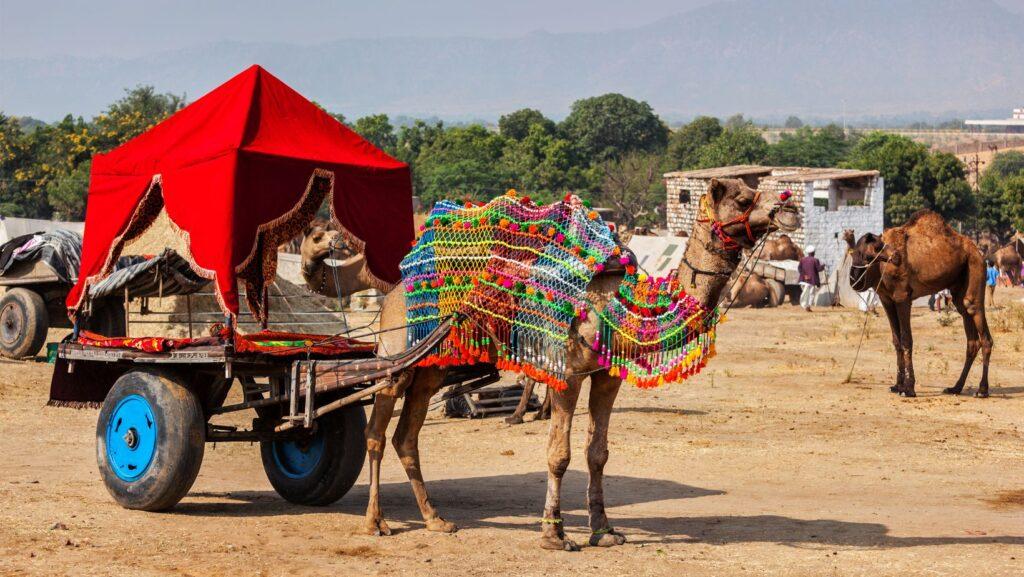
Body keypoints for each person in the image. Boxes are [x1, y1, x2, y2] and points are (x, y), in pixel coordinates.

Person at [798, 245, 825, 312]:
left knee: (805, 293)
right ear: (813, 253)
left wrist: (804, 275)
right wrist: (823, 266)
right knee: (811, 294)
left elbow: (799, 268)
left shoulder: (802, 259)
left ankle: (805, 305)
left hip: (803, 280)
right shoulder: (815, 260)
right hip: (811, 281)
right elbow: (818, 269)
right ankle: (808, 306)